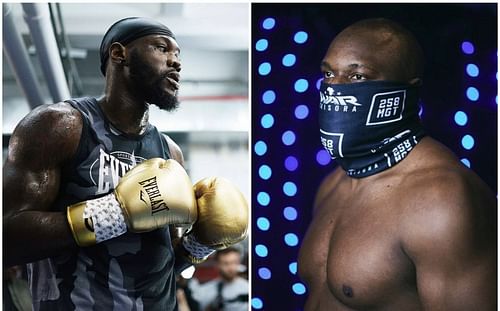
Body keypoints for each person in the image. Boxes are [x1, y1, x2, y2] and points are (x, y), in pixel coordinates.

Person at [3, 17, 248, 311]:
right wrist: (114, 213)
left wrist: (201, 244)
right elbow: (8, 238)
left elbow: (166, 265)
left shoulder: (169, 152)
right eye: (162, 48)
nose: (176, 63)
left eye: (178, 54)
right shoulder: (61, 126)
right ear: (119, 54)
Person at [298, 18, 496, 310]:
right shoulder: (336, 182)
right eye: (329, 74)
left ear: (407, 91)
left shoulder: (443, 198)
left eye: (358, 77)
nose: (334, 90)